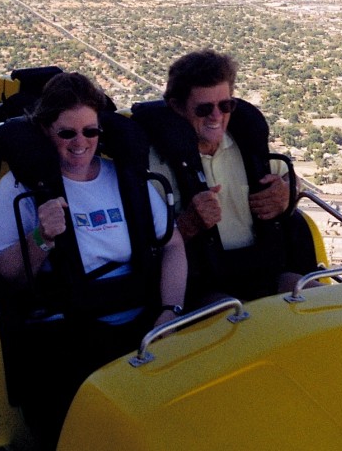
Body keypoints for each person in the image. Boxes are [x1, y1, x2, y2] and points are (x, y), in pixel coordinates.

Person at [0, 72, 186, 448]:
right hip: (67, 331)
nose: (81, 143)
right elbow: (2, 273)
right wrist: (42, 237)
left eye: (90, 132)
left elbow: (173, 246)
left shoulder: (124, 179)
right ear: (46, 131)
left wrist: (170, 311)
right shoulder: (21, 189)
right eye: (67, 133)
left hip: (142, 322)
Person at [133, 49, 316, 305]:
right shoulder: (157, 165)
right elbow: (145, 248)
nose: (217, 116)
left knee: (319, 298)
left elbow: (291, 180)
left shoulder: (246, 145)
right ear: (177, 107)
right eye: (204, 108)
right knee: (230, 317)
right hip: (201, 281)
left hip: (263, 268)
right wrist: (186, 225)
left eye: (225, 105)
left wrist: (286, 191)